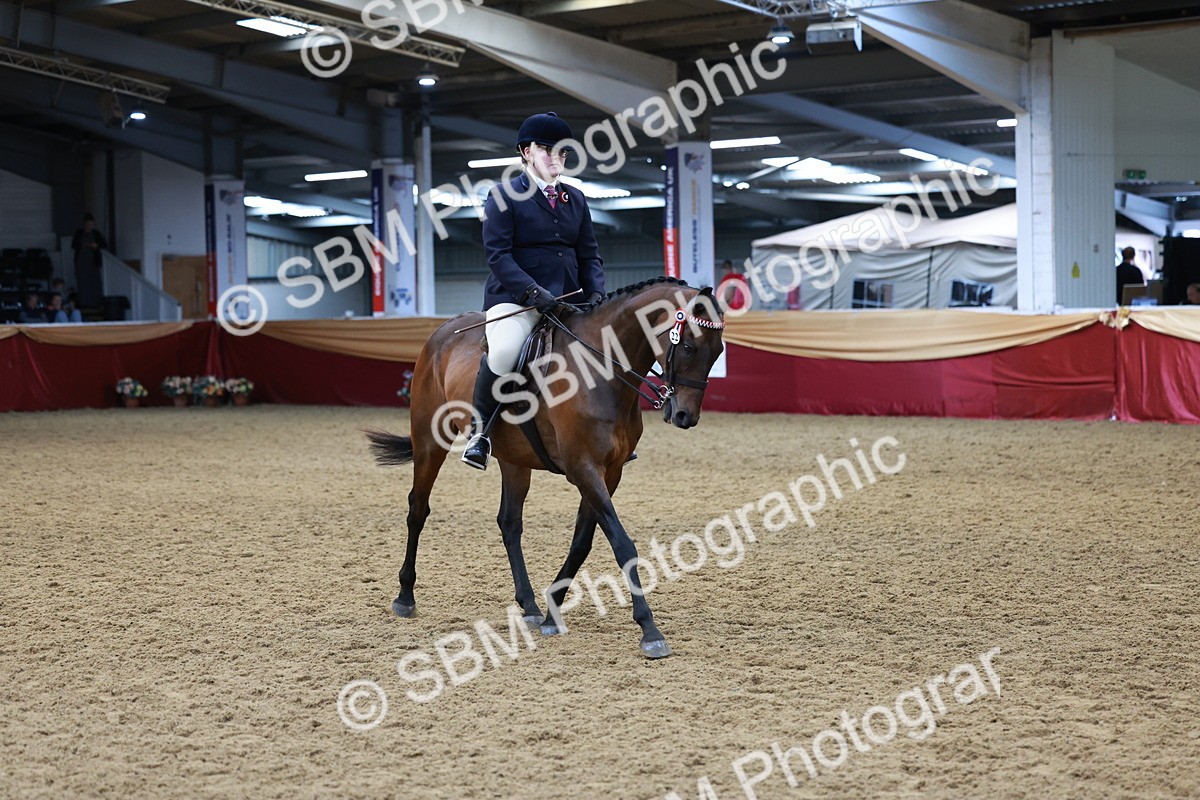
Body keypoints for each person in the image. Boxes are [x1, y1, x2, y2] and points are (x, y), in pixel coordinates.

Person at [461, 111, 605, 471]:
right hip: (517, 300)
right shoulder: (503, 196)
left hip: (571, 300)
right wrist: (531, 291)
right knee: (505, 351)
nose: (557, 158)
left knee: (602, 349)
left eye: (563, 152)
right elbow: (498, 255)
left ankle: (604, 432)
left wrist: (597, 293)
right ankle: (480, 434)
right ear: (527, 152)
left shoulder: (575, 198)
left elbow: (589, 255)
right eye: (547, 150)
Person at [72, 213, 108, 310]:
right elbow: (74, 245)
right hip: (81, 262)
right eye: (87, 223)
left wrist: (96, 246)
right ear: (84, 224)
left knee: (94, 283)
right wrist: (83, 244)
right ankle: (83, 303)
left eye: (91, 224)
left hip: (93, 263)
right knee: (82, 282)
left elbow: (104, 244)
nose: (89, 226)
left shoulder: (96, 233)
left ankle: (95, 303)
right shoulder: (79, 233)